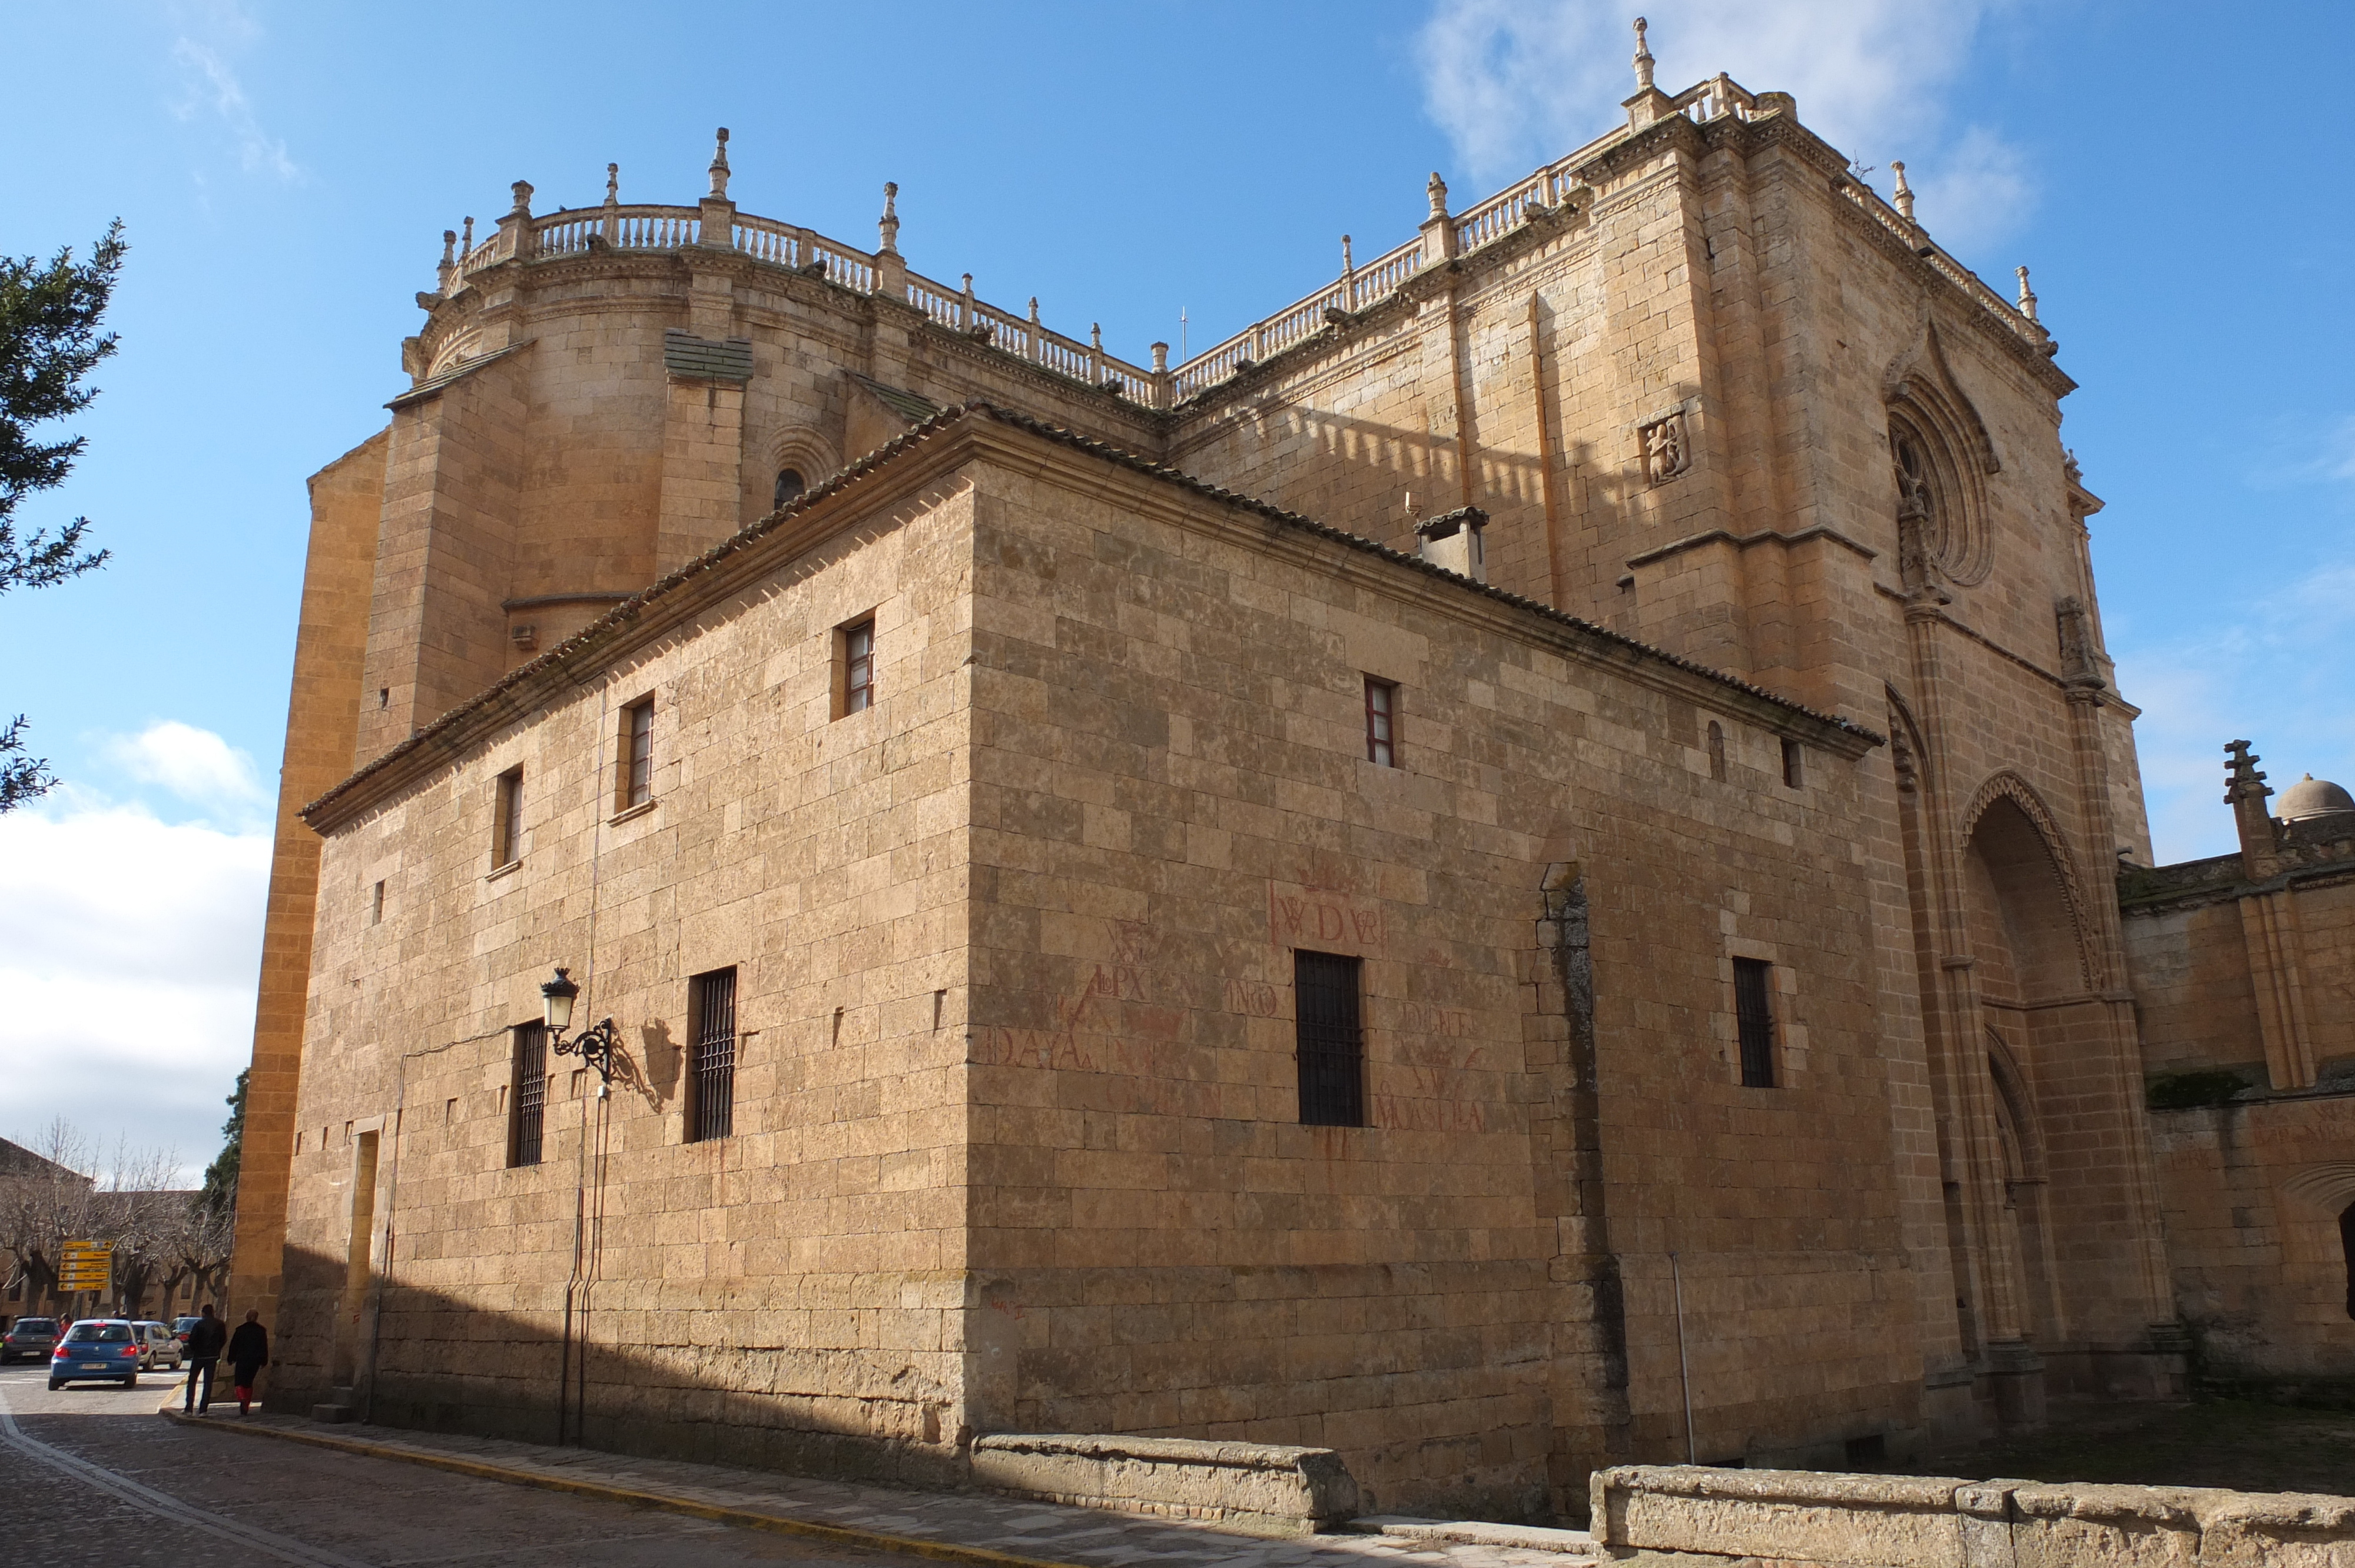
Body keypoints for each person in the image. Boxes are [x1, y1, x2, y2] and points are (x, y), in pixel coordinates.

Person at [183, 1304, 227, 1414]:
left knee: (192, 1382)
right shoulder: (220, 1324)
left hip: (199, 1356)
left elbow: (192, 1340)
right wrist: (217, 1350)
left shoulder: (199, 1324)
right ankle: (203, 1410)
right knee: (208, 1383)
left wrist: (195, 1350)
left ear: (203, 1313)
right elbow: (223, 1339)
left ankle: (189, 1408)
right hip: (212, 1357)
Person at [225, 1310, 268, 1417]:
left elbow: (234, 1345)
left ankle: (242, 1399)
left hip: (242, 1359)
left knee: (239, 1382)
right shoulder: (261, 1331)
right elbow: (264, 1347)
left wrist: (231, 1359)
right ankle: (247, 1405)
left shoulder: (240, 1330)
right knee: (249, 1382)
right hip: (255, 1361)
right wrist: (264, 1361)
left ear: (246, 1317)